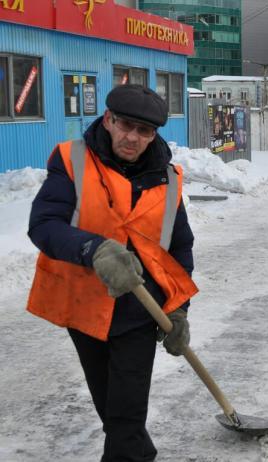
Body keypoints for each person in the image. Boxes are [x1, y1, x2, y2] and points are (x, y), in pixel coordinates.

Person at [27, 84, 198, 461]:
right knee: (111, 407)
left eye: (144, 131)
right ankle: (141, 451)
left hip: (139, 310)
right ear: (108, 119)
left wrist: (178, 307)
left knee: (124, 415)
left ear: (154, 134)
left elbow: (178, 247)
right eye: (125, 125)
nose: (132, 137)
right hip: (85, 305)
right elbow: (44, 224)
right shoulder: (72, 161)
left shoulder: (167, 179)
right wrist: (94, 248)